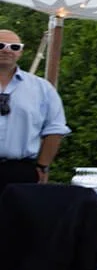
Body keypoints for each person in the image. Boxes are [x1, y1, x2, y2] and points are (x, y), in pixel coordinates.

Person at [0, 29, 69, 194]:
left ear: (21, 52)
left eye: (14, 47)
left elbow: (55, 129)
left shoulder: (41, 88)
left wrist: (42, 166)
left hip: (20, 172)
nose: (7, 50)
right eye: (1, 45)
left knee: (17, 219)